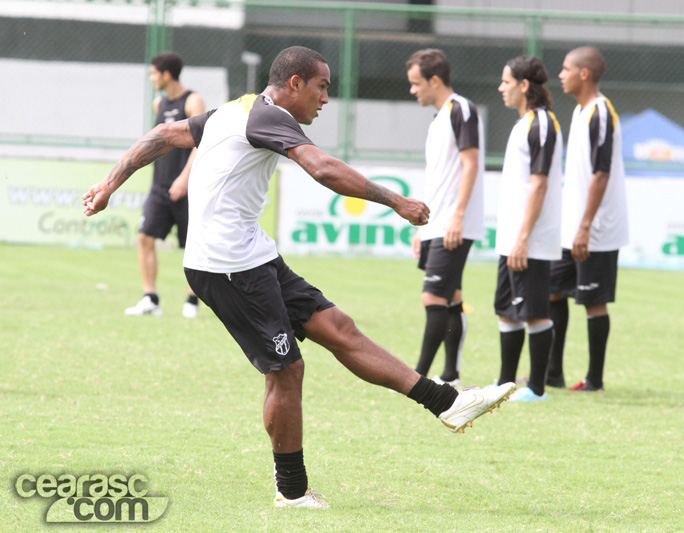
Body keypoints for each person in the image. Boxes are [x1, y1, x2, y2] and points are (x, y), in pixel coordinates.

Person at [83, 46, 514, 509]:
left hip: (251, 254)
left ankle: (447, 403)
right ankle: (291, 492)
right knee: (286, 369)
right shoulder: (267, 117)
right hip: (225, 265)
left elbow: (163, 136)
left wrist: (109, 185)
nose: (325, 99)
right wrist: (397, 201)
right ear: (294, 83)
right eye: (322, 87)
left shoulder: (237, 110)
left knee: (338, 327)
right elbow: (323, 168)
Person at [547, 46, 629, 392]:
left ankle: (594, 379)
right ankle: (552, 372)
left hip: (595, 230)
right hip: (570, 228)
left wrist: (584, 226)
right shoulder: (581, 113)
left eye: (566, 69)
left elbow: (601, 174)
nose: (561, 75)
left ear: (584, 74)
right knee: (552, 292)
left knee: (593, 303)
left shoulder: (600, 113)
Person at [406, 49, 485, 388]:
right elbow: (438, 177)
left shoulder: (461, 109)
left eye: (416, 83)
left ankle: (416, 377)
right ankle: (450, 375)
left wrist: (458, 217)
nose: (413, 91)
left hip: (454, 222)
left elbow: (471, 163)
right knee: (451, 297)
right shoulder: (439, 119)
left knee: (433, 297)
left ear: (434, 80)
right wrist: (422, 229)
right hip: (437, 224)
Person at [494, 56, 563, 402]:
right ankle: (506, 382)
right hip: (512, 237)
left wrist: (523, 238)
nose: (501, 88)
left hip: (531, 240)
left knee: (534, 311)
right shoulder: (523, 123)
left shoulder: (542, 124)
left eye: (506, 82)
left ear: (523, 85)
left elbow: (539, 185)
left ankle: (537, 389)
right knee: (506, 308)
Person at [125, 51, 206, 318]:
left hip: (189, 188)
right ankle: (151, 298)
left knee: (194, 245)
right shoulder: (158, 103)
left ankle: (192, 301)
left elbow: (201, 143)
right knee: (144, 236)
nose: (151, 79)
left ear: (166, 74)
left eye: (153, 73)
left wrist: (184, 179)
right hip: (159, 187)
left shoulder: (193, 101)